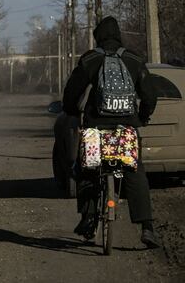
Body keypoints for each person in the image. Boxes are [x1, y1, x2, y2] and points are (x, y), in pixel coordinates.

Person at [62, 16, 159, 248]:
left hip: (96, 129)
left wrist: (71, 112)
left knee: (87, 168)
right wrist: (142, 118)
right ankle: (147, 227)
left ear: (98, 37)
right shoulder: (134, 60)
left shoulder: (90, 59)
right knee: (135, 172)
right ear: (118, 35)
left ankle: (87, 218)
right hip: (125, 130)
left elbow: (71, 92)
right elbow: (149, 96)